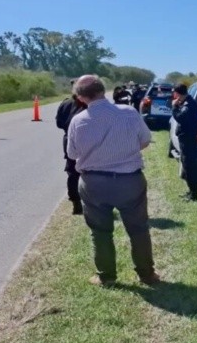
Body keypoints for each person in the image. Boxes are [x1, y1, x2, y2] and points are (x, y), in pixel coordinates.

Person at [67, 75, 159, 287]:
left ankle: (106, 276)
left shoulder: (78, 121)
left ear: (80, 98)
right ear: (103, 90)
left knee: (100, 232)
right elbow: (145, 140)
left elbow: (72, 154)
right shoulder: (129, 112)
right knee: (139, 229)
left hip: (94, 183)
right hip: (129, 180)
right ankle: (147, 274)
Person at [55, 84, 87, 215]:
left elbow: (59, 123)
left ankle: (76, 203)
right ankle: (87, 202)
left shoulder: (65, 103)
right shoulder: (89, 103)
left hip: (69, 140)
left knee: (72, 173)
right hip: (87, 140)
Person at [171, 83, 197, 201]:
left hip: (189, 139)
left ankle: (194, 194)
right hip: (186, 138)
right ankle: (191, 191)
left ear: (177, 93)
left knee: (189, 166)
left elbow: (180, 118)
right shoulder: (186, 103)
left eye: (174, 93)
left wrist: (174, 107)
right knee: (187, 165)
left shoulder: (189, 104)